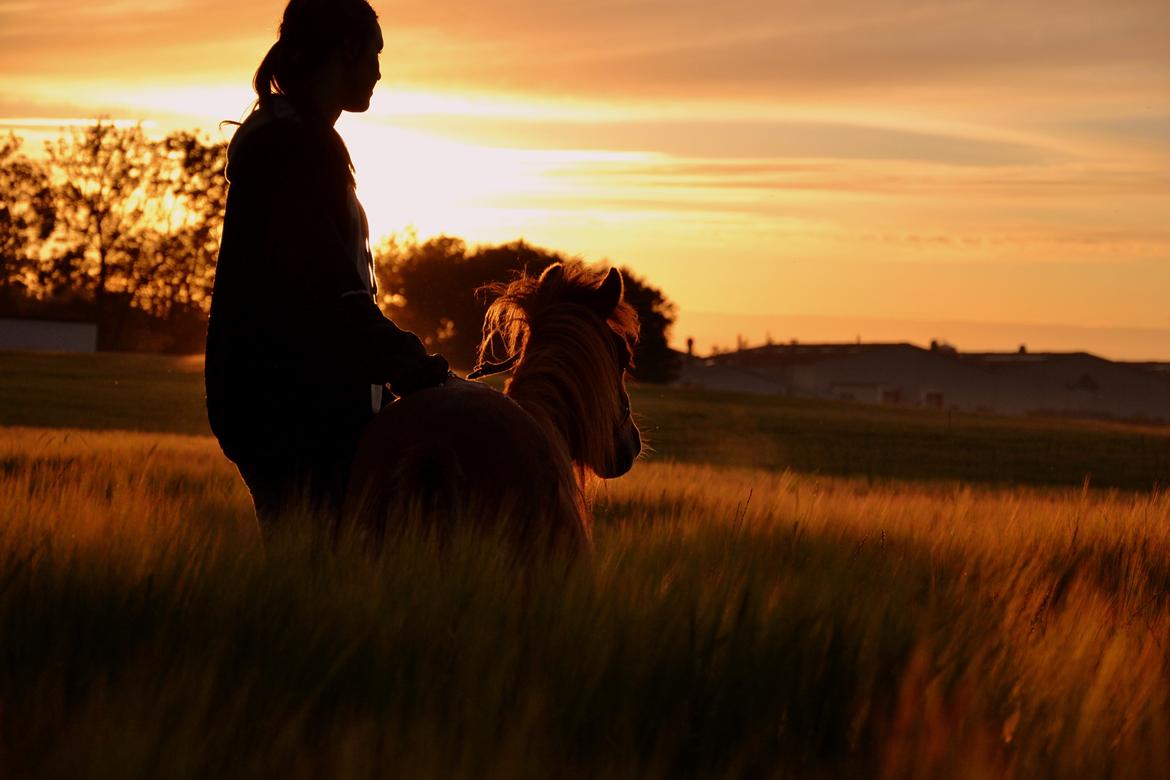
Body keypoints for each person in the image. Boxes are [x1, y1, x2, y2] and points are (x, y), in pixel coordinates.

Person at [205, 0, 449, 534]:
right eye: (375, 54)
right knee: (326, 569)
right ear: (345, 53)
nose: (380, 72)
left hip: (288, 408)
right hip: (296, 415)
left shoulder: (291, 141)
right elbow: (326, 293)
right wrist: (409, 364)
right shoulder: (294, 151)